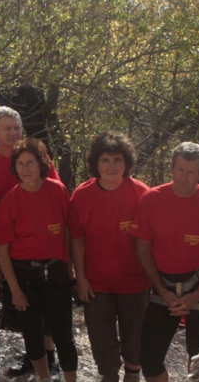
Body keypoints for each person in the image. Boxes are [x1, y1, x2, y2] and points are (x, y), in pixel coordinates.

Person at [0, 106, 60, 378]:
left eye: (17, 128)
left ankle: (50, 357)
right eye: (7, 128)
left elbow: (55, 195)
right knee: (21, 304)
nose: (13, 133)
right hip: (5, 245)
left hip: (40, 244)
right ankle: (34, 357)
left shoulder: (38, 157)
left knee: (45, 306)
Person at [69, 132, 150, 382]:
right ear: (96, 163)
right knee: (101, 336)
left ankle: (132, 373)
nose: (112, 165)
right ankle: (108, 375)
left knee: (135, 335)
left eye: (117, 159)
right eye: (106, 159)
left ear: (127, 163)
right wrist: (80, 278)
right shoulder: (82, 196)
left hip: (135, 282)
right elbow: (77, 239)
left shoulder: (142, 194)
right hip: (97, 282)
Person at [0, 138, 77, 382]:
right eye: (20, 163)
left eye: (30, 162)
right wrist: (15, 290)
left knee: (63, 335)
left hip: (56, 272)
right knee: (32, 336)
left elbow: (67, 231)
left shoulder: (58, 190)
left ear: (41, 164)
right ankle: (45, 378)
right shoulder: (9, 200)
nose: (25, 168)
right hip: (25, 277)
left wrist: (70, 267)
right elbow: (2, 250)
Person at [131, 142, 199, 382]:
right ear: (171, 168)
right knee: (149, 359)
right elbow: (142, 249)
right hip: (162, 285)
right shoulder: (152, 199)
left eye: (190, 172)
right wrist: (162, 289)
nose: (183, 177)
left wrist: (198, 294)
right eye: (179, 170)